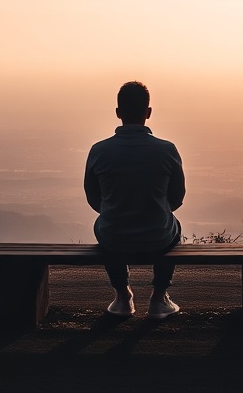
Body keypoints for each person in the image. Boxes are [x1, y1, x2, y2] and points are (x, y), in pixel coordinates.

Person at [84, 81, 186, 319]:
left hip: (115, 236)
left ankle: (122, 297)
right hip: (157, 237)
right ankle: (159, 299)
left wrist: (115, 210)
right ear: (148, 113)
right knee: (174, 225)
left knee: (105, 225)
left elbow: (93, 197)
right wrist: (155, 210)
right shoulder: (167, 150)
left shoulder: (99, 150)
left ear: (118, 113)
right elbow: (177, 198)